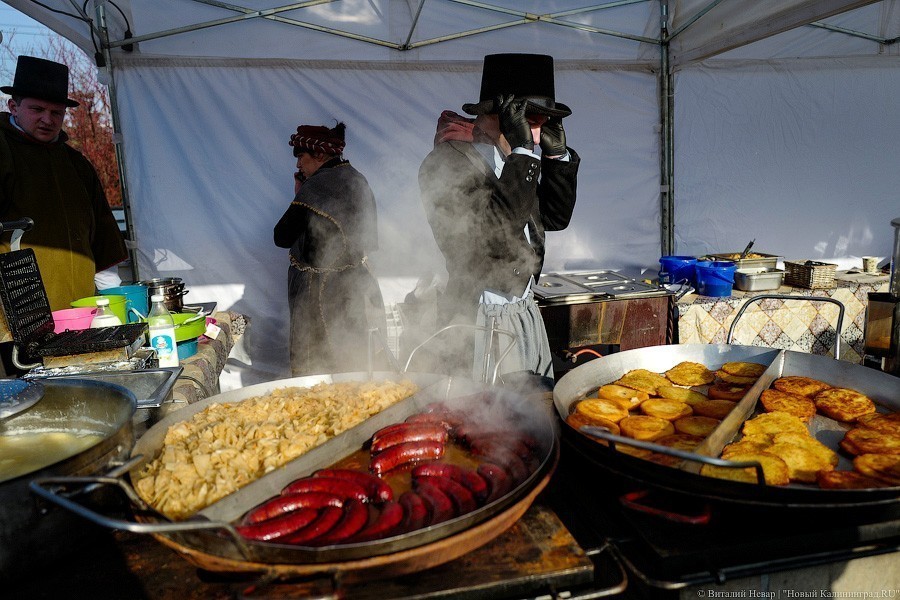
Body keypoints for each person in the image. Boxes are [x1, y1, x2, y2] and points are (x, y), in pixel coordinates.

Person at [418, 53, 579, 383]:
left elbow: (554, 217)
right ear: (501, 116)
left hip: (523, 312)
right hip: (477, 318)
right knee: (484, 418)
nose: (538, 132)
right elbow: (494, 241)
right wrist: (521, 155)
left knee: (532, 407)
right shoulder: (445, 164)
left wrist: (557, 158)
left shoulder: (517, 160)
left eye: (543, 121)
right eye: (531, 119)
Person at [0, 56, 127, 312]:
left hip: (81, 307)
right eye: (37, 109)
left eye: (56, 112)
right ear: (14, 106)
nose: (48, 119)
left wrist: (111, 297)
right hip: (18, 311)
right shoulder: (2, 150)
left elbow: (102, 233)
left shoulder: (76, 163)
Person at [274, 121, 387, 376]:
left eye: (301, 156)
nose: (298, 165)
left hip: (323, 293)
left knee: (320, 365)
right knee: (354, 356)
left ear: (320, 154)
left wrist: (300, 194)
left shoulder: (318, 185)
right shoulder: (357, 178)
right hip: (356, 285)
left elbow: (281, 236)